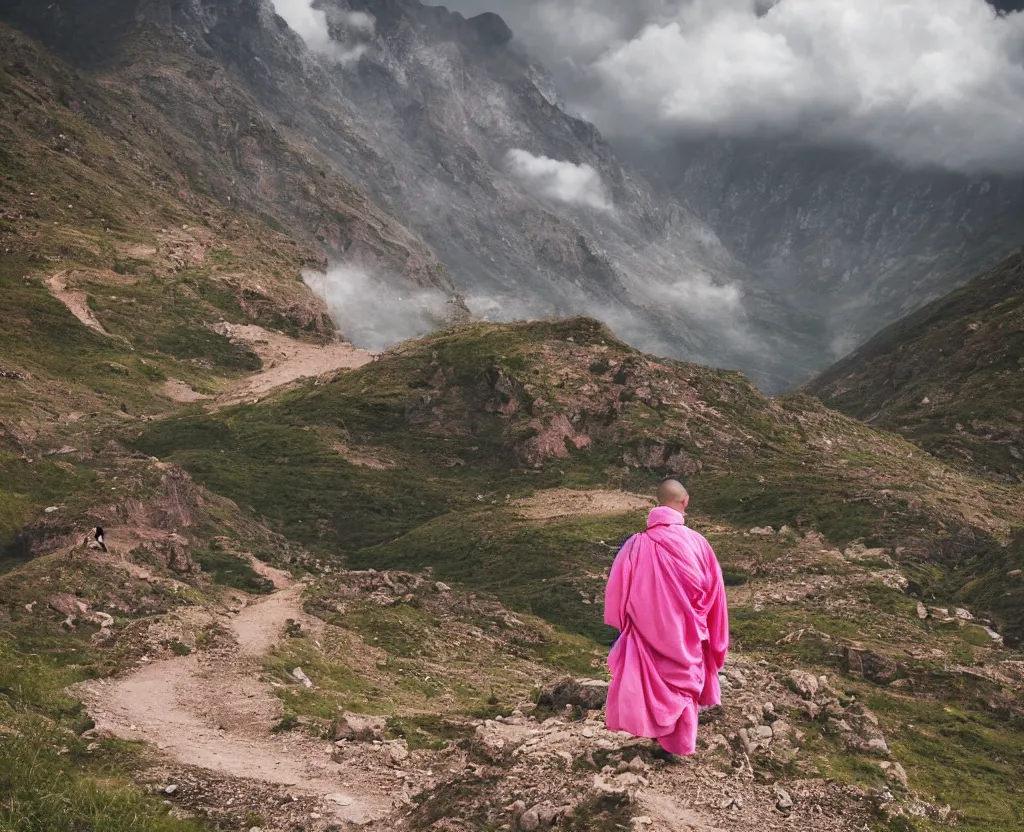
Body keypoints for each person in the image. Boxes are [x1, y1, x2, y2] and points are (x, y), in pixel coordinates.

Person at [604, 479, 729, 757]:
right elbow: (715, 596)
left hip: (647, 635)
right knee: (684, 686)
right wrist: (712, 635)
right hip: (689, 637)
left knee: (653, 683)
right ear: (685, 502)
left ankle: (655, 735)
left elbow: (618, 595)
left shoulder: (636, 545)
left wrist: (634, 624)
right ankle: (679, 746)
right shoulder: (699, 544)